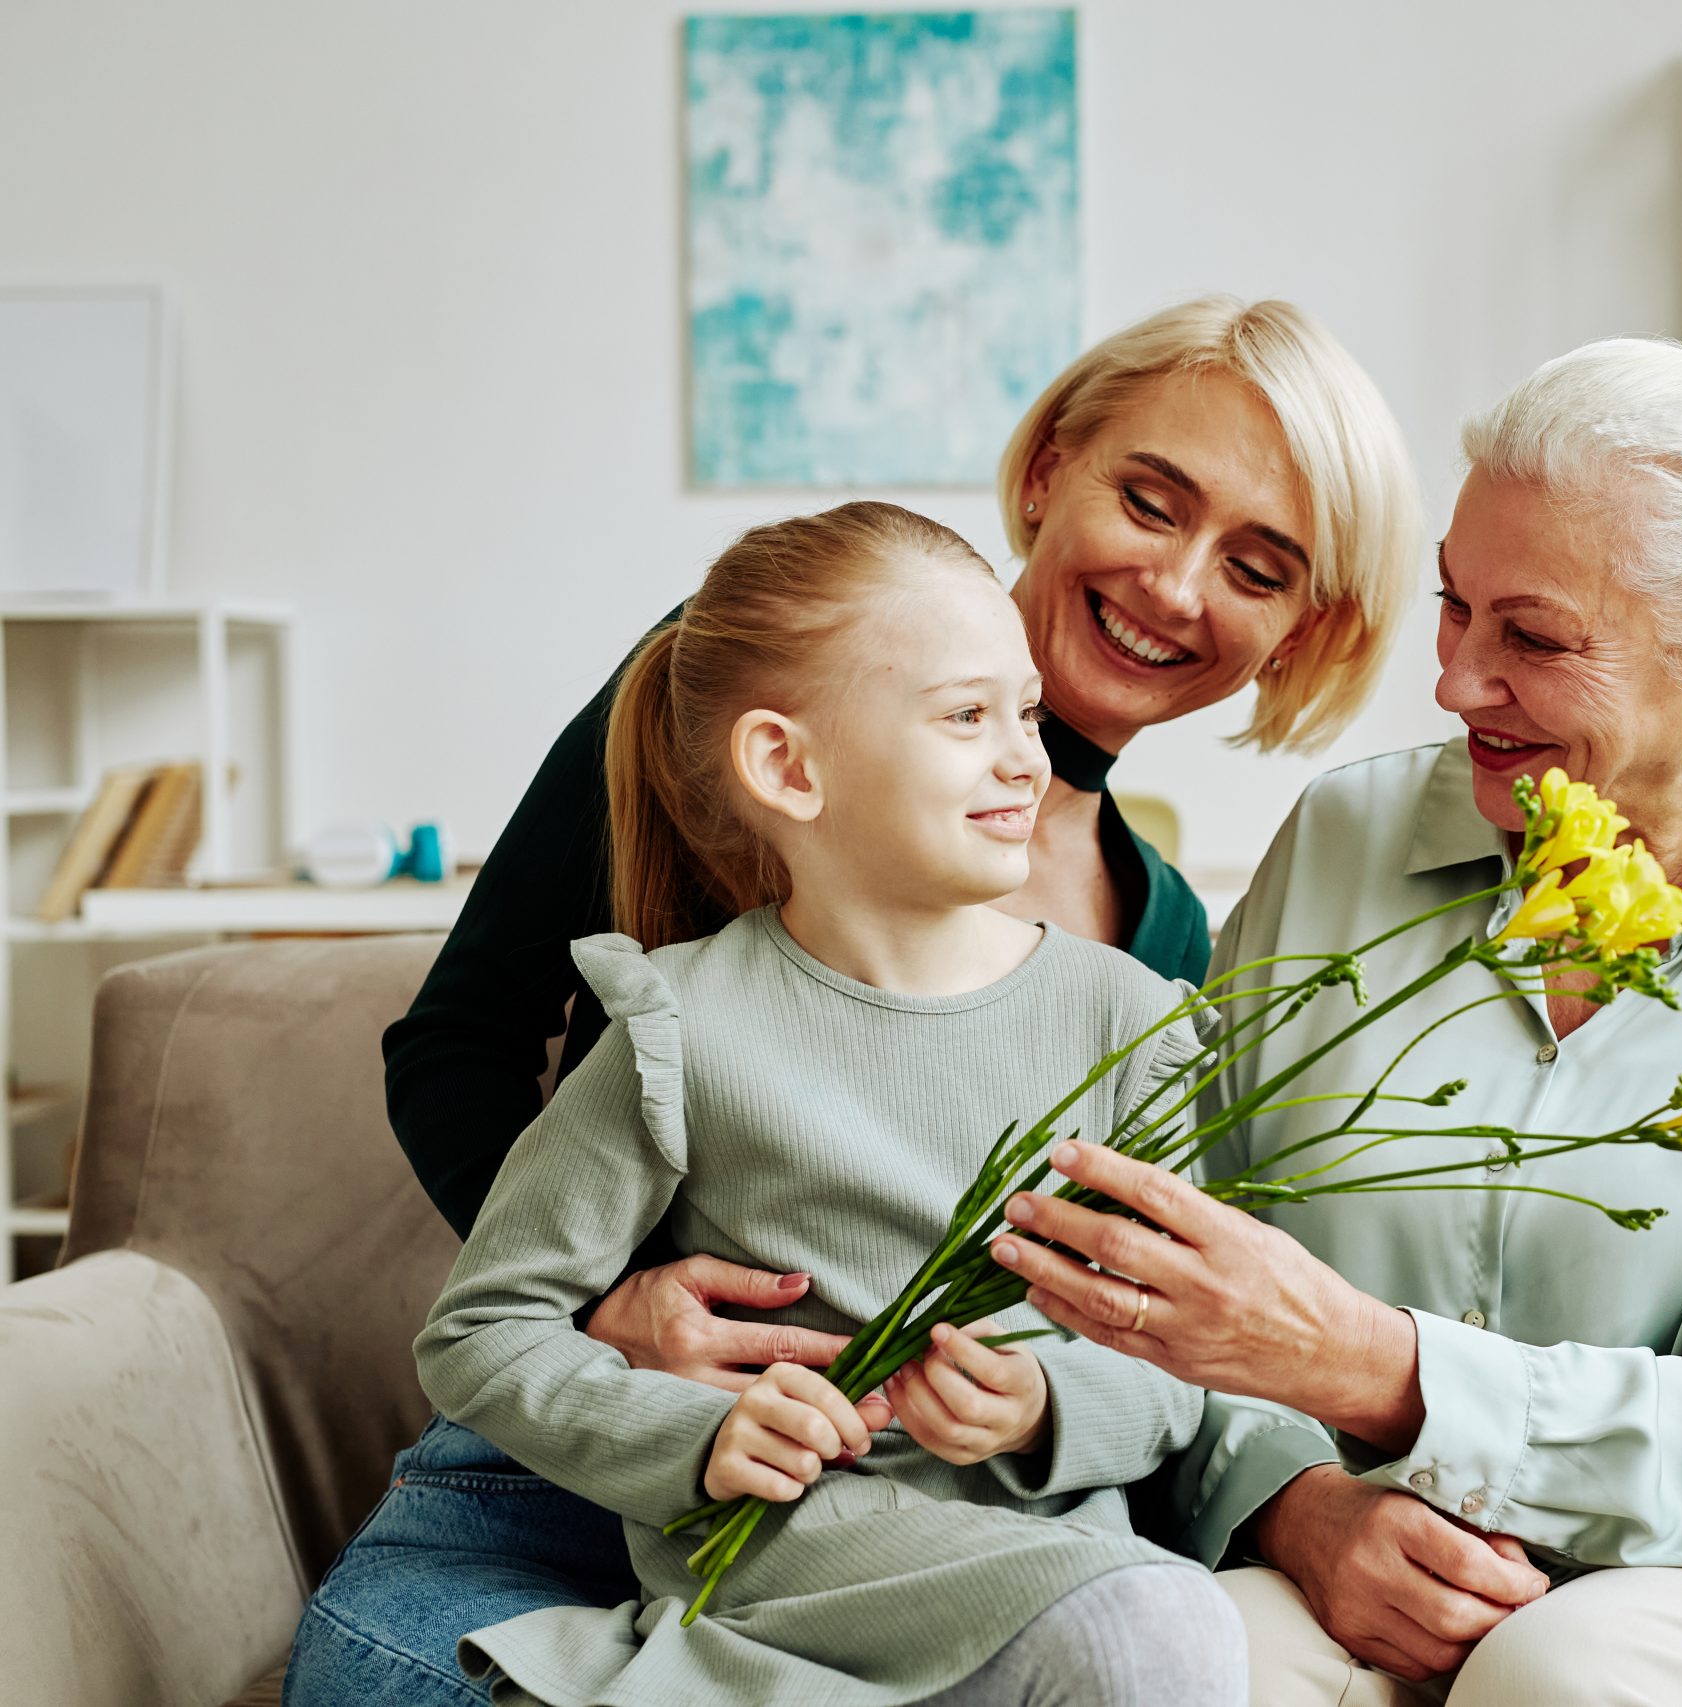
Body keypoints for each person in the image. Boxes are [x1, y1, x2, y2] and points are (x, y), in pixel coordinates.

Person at [286, 296, 1421, 1705]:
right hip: (586, 1456)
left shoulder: (1156, 953)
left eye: (1257, 567)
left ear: (1295, 627)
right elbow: (457, 1047)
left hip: (935, 1531)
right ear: (1048, 466)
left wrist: (1262, 1481)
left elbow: (1155, 1336)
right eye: (1149, 499)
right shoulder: (764, 685)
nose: (1179, 587)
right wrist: (607, 1317)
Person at [989, 338, 1682, 1706]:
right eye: (1455, 605)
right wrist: (1298, 1503)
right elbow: (1183, 1257)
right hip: (1394, 1541)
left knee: (1559, 1671)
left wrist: (1384, 1369)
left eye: (1537, 639)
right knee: (1179, 1664)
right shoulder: (1351, 838)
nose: (1454, 683)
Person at [412, 499, 1239, 1704]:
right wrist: (696, 1440)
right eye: (965, 718)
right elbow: (479, 1336)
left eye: (1024, 712)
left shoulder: (1133, 1021)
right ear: (787, 766)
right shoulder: (677, 1027)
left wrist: (1046, 1403)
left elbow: (1182, 1364)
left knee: (1155, 1621)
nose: (1026, 757)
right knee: (1161, 1626)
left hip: (1060, 1571)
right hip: (797, 1564)